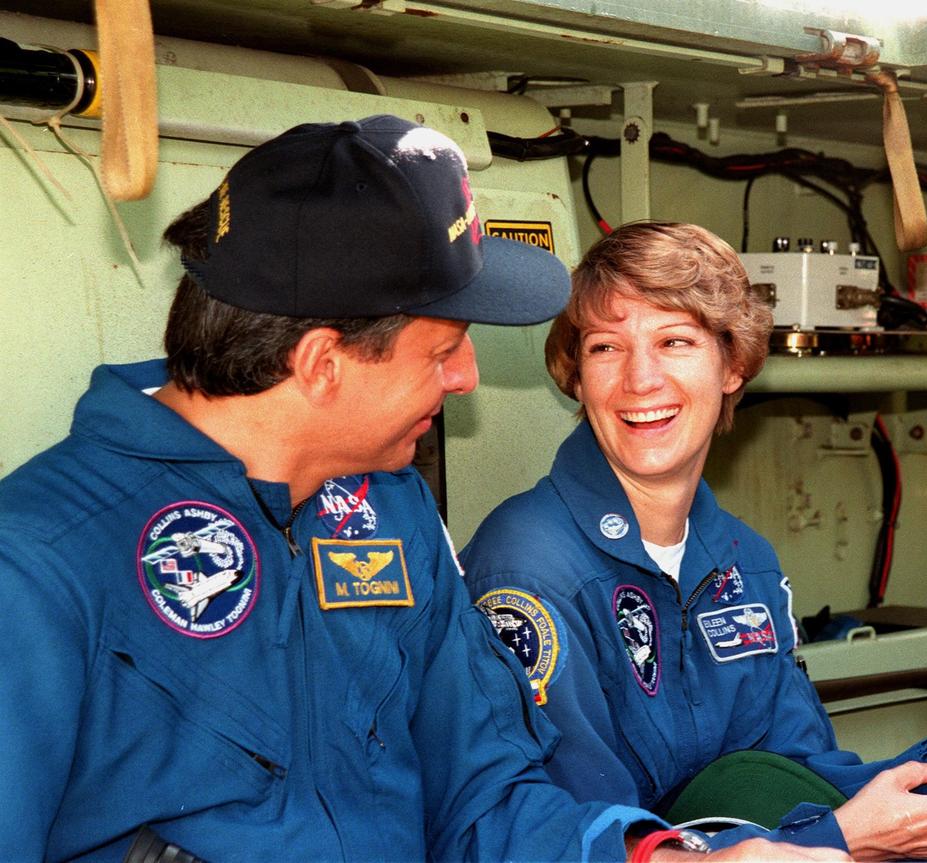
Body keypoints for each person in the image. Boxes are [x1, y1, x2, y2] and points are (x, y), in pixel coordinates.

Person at [0, 119, 848, 862]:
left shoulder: (392, 513)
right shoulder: (38, 566)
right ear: (322, 364)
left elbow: (483, 799)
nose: (469, 377)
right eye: (443, 349)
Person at [460, 222, 927, 861]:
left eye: (675, 340)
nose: (640, 379)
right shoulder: (530, 567)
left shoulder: (741, 560)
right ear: (575, 375)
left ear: (733, 364)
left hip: (768, 845)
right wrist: (837, 840)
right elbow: (573, 833)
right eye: (606, 347)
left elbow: (796, 778)